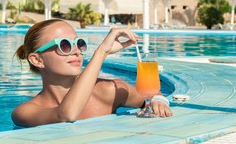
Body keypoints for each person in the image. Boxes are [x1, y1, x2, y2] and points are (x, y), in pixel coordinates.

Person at [12, 19, 172, 127]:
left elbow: (149, 95)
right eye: (65, 45)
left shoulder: (108, 91)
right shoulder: (24, 112)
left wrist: (159, 101)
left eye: (79, 43)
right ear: (37, 60)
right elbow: (66, 115)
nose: (76, 51)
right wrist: (102, 52)